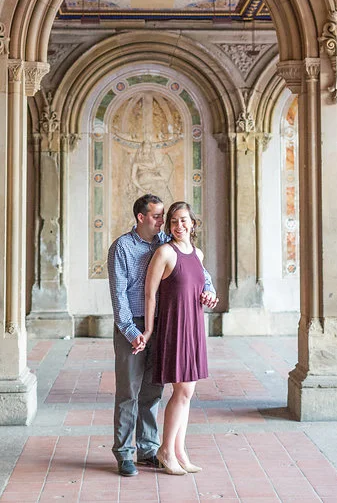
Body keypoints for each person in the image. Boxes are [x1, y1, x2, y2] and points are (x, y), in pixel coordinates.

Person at [108, 194, 218, 477]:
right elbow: (119, 297)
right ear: (141, 217)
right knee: (128, 392)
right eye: (158, 216)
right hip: (132, 324)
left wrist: (210, 292)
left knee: (153, 391)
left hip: (163, 324)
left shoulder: (165, 243)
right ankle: (125, 454)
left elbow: (200, 275)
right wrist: (134, 332)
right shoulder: (122, 247)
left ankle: (148, 449)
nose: (163, 222)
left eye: (164, 217)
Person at [139, 201, 210, 476]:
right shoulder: (164, 252)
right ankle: (166, 450)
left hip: (194, 325)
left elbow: (200, 287)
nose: (178, 226)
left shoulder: (198, 254)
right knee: (183, 391)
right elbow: (149, 294)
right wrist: (148, 330)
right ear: (169, 227)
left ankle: (179, 451)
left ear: (193, 223)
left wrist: (208, 295)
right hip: (175, 327)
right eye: (173, 222)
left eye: (183, 221)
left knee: (187, 393)